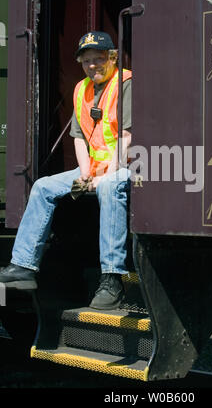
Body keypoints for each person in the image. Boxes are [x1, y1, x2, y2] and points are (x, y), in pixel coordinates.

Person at [0, 31, 132, 310]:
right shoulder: (81, 89)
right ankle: (23, 267)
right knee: (43, 186)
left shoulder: (125, 83)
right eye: (87, 61)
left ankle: (112, 279)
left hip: (129, 165)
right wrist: (85, 173)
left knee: (110, 187)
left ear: (112, 57)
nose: (93, 65)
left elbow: (127, 137)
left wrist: (106, 176)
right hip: (95, 167)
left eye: (99, 59)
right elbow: (79, 137)